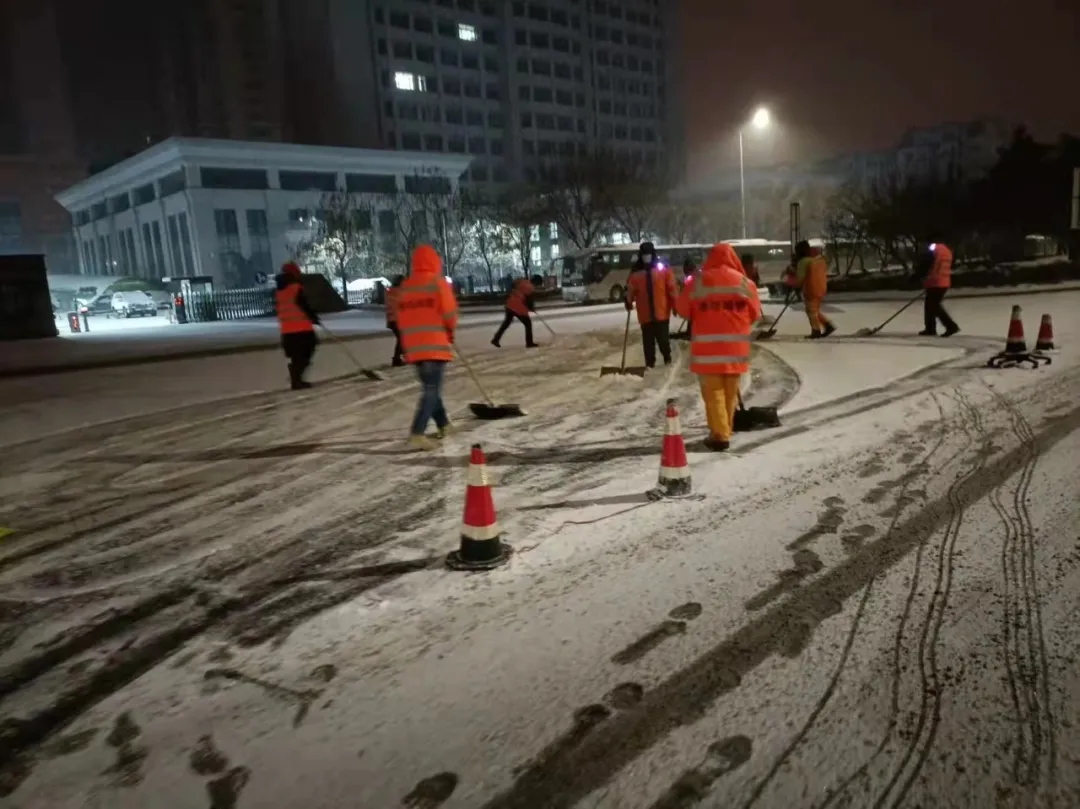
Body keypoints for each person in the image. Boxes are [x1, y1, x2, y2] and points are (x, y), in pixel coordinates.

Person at [675, 243, 761, 451]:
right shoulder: (745, 283)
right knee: (730, 392)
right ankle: (724, 429)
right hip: (735, 350)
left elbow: (682, 309)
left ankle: (720, 435)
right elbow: (755, 314)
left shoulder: (697, 281)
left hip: (708, 351)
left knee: (714, 393)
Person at [397, 244, 460, 450]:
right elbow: (449, 314)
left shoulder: (405, 287)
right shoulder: (436, 283)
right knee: (431, 390)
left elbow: (400, 319)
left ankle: (443, 424)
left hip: (414, 349)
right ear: (434, 262)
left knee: (431, 388)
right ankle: (417, 432)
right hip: (434, 345)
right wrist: (449, 334)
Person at [626, 241, 677, 368]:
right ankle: (650, 365)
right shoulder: (636, 272)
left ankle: (667, 358)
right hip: (645, 315)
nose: (646, 256)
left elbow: (671, 288)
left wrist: (675, 304)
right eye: (644, 254)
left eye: (648, 254)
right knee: (648, 344)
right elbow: (630, 289)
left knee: (663, 341)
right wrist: (628, 301)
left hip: (662, 313)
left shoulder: (663, 269)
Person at [274, 261, 320, 390]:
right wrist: (314, 317)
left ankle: (296, 378)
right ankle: (296, 376)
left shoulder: (279, 291)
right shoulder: (296, 288)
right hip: (301, 329)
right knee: (307, 350)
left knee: (297, 355)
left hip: (286, 331)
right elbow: (304, 306)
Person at [795, 241, 836, 339]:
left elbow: (800, 278)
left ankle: (816, 330)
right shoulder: (818, 260)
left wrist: (796, 286)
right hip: (821, 288)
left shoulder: (803, 262)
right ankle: (827, 325)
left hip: (810, 289)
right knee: (814, 311)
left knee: (811, 311)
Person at [919, 236, 960, 337]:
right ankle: (930, 328)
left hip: (935, 281)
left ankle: (951, 326)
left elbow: (926, 265)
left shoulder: (933, 249)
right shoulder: (946, 250)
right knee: (930, 305)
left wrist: (915, 277)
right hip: (943, 282)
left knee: (934, 305)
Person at [491, 276, 537, 348]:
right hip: (518, 307)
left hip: (509, 304)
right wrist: (532, 308)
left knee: (506, 323)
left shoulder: (522, 281)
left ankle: (496, 339)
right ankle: (529, 343)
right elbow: (529, 300)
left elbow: (512, 285)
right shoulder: (530, 287)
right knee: (528, 324)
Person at [385, 275, 406, 366]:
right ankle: (396, 359)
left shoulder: (390, 292)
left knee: (402, 338)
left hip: (391, 320)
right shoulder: (400, 292)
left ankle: (403, 355)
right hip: (398, 320)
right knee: (402, 338)